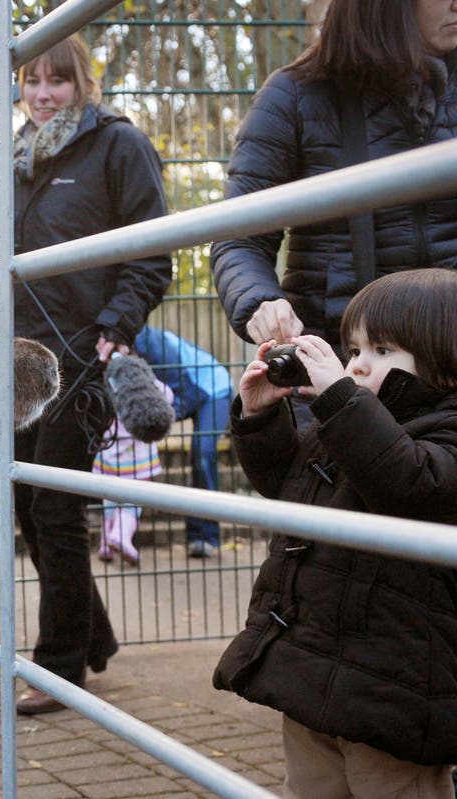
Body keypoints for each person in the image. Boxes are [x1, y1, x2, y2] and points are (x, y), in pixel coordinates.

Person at [0, 36, 172, 715]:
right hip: (22, 360)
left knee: (54, 505)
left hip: (85, 359)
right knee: (24, 501)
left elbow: (151, 253)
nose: (43, 92)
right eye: (31, 80)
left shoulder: (118, 146)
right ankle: (92, 635)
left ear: (81, 82)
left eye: (57, 79)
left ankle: (57, 669)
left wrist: (115, 326)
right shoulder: (13, 157)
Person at [213, 268, 457, 798]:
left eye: (384, 350)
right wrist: (259, 419)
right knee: (311, 787)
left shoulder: (438, 432)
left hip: (394, 688)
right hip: (313, 666)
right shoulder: (349, 425)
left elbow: (408, 483)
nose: (359, 364)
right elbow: (289, 488)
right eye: (354, 349)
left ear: (446, 363)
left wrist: (344, 399)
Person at [211, 0, 457, 356]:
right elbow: (238, 236)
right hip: (339, 364)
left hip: (447, 358)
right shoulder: (294, 94)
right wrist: (261, 302)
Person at [131, 325, 233, 557]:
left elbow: (184, 394)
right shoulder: (129, 344)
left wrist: (151, 424)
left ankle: (207, 537)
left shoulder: (154, 346)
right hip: (193, 391)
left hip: (213, 390)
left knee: (203, 454)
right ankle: (195, 536)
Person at [92, 378, 174, 566]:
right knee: (135, 497)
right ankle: (120, 535)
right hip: (137, 452)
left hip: (109, 448)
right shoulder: (142, 383)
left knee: (109, 495)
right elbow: (168, 395)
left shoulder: (105, 381)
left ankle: (106, 541)